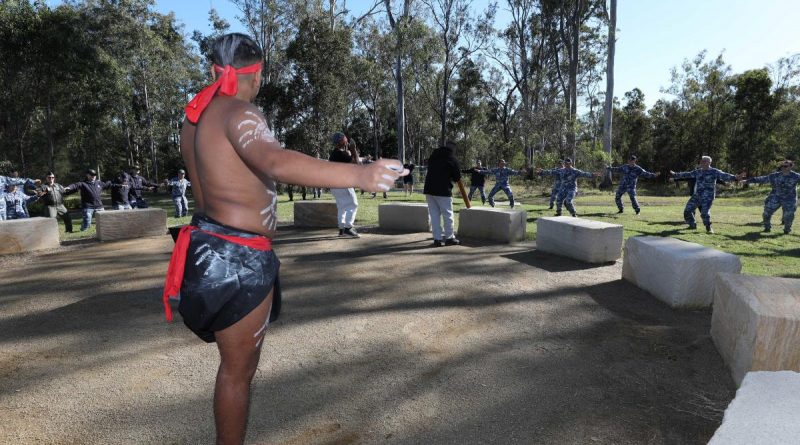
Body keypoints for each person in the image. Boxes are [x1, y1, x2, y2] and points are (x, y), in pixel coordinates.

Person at [165, 33, 406, 445]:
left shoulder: (194, 120)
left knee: (232, 368)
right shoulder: (240, 113)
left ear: (213, 70)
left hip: (206, 244)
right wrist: (359, 174)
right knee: (237, 373)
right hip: (238, 256)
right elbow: (273, 161)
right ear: (257, 74)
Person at [669, 156, 745, 233]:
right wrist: (676, 174)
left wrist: (736, 178)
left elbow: (725, 176)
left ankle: (708, 227)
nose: (702, 162)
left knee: (704, 213)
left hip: (708, 196)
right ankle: (692, 225)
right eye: (702, 161)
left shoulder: (714, 171)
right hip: (697, 195)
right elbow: (687, 174)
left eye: (704, 161)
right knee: (687, 210)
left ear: (709, 162)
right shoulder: (698, 172)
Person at [743, 159, 800, 234]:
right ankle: (767, 228)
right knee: (766, 213)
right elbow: (762, 179)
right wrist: (747, 181)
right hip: (775, 197)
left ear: (790, 167)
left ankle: (787, 230)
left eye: (785, 166)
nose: (783, 167)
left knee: (788, 215)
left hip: (789, 199)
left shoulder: (796, 176)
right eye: (782, 166)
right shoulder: (775, 175)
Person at [423, 140, 461, 247]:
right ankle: (449, 238)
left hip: (429, 189)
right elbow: (457, 177)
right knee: (448, 214)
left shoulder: (433, 155)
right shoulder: (452, 159)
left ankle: (437, 239)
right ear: (453, 149)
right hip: (443, 190)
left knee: (434, 215)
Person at [329, 132, 361, 237]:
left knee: (342, 206)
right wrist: (353, 149)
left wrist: (350, 152)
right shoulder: (340, 153)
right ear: (343, 141)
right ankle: (348, 227)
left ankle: (341, 229)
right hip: (343, 184)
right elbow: (356, 164)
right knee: (353, 204)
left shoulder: (334, 153)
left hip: (334, 184)